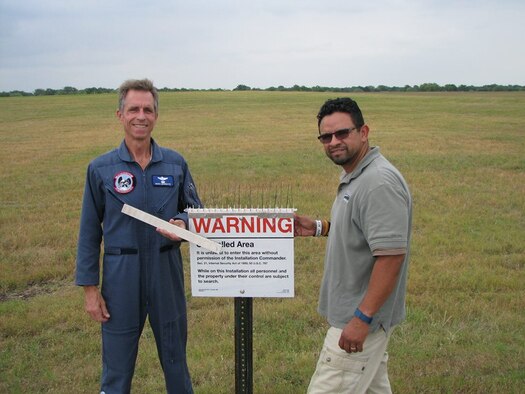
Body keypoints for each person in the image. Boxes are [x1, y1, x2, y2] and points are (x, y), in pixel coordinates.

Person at [76, 79, 200, 393]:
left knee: (176, 364)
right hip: (121, 277)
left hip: (165, 273)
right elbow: (89, 233)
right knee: (116, 371)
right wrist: (90, 290)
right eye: (133, 109)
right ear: (120, 114)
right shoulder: (101, 169)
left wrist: (184, 224)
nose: (140, 116)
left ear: (156, 116)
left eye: (147, 109)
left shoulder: (175, 164)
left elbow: (197, 212)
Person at [295, 97, 412, 393]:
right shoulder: (356, 176)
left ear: (364, 132)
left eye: (342, 133)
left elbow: (391, 257)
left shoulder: (377, 183)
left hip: (359, 320)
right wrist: (320, 228)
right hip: (360, 318)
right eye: (326, 136)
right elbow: (364, 236)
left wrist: (362, 318)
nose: (334, 141)